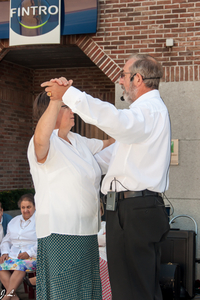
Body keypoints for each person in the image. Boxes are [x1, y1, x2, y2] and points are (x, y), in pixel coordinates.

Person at [41, 53, 171, 300]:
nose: (120, 80)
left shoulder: (147, 111)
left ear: (138, 78)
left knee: (131, 291)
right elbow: (108, 159)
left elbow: (114, 119)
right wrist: (69, 157)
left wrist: (68, 94)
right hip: (136, 209)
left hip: (133, 210)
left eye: (123, 75)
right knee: (137, 287)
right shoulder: (145, 117)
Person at [27, 91, 114, 300]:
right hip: (60, 232)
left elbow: (111, 143)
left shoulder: (79, 141)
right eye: (66, 107)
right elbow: (41, 139)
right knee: (65, 293)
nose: (72, 111)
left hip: (88, 232)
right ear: (52, 110)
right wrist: (57, 98)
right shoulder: (42, 142)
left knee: (87, 291)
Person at [0, 194, 37, 300]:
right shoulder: (14, 221)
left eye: (28, 207)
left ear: (34, 207)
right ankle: (14, 297)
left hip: (33, 256)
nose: (25, 210)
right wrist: (5, 252)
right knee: (0, 266)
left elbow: (42, 242)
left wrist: (29, 253)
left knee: (20, 266)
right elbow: (6, 240)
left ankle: (7, 297)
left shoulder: (39, 221)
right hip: (15, 255)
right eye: (23, 207)